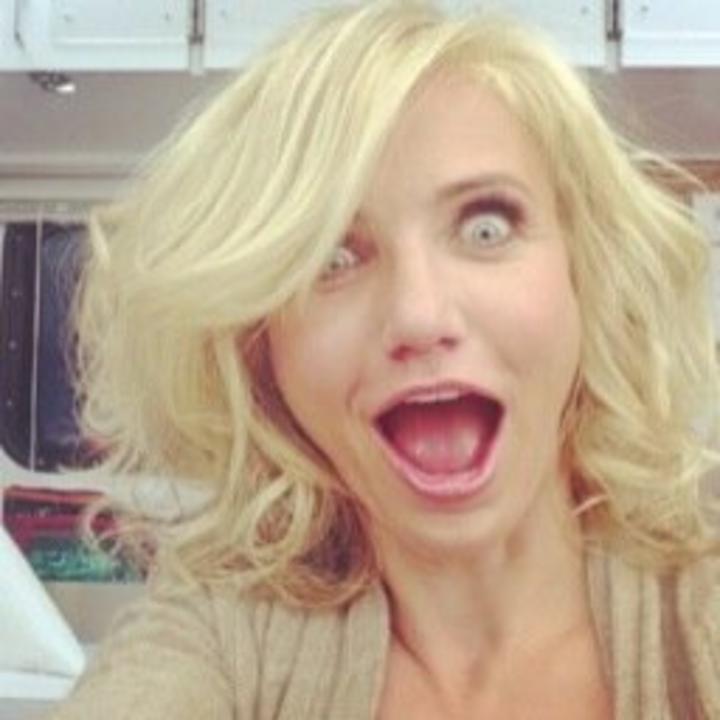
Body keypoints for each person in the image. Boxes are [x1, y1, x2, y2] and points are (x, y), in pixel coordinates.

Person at [51, 1, 720, 718]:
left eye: (486, 227)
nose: (418, 316)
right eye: (332, 258)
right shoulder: (218, 636)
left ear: (584, 274)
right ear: (263, 351)